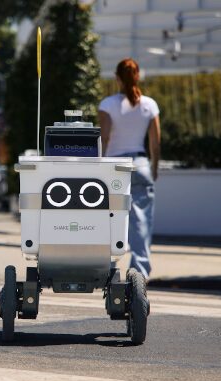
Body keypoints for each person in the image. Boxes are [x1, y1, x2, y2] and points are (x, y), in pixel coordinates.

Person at [98, 58, 161, 279]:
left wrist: (99, 166)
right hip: (141, 165)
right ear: (138, 76)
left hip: (114, 168)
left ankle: (107, 267)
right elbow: (155, 142)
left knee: (110, 217)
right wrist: (154, 167)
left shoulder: (107, 105)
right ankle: (139, 273)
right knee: (141, 222)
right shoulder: (150, 105)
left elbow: (104, 138)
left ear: (117, 78)